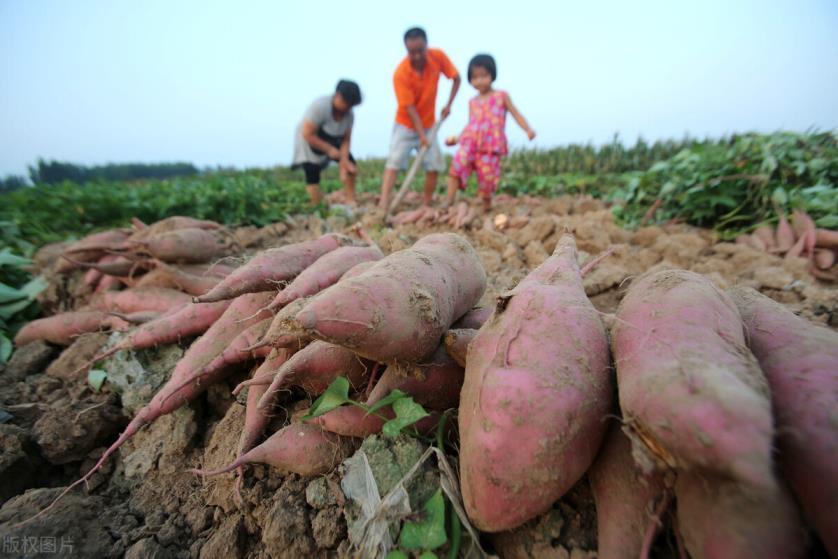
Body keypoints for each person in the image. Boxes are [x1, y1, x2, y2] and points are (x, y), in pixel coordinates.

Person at [378, 27, 461, 210]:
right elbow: (409, 108)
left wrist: (448, 105)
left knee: (434, 164)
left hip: (430, 123)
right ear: (406, 49)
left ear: (426, 45)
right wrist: (421, 135)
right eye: (411, 52)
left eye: (420, 50)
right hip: (406, 124)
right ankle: (384, 203)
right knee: (394, 161)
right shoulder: (401, 73)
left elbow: (456, 78)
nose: (416, 56)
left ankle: (426, 203)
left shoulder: (437, 57)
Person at [444, 54, 536, 212]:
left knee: (487, 180)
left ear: (492, 75)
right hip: (471, 142)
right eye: (474, 77)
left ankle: (486, 207)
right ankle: (449, 201)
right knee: (457, 164)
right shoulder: (472, 102)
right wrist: (457, 139)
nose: (479, 80)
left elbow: (515, 113)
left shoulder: (501, 96)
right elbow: (471, 124)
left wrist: (527, 129)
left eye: (483, 76)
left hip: (490, 146)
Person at [292, 80, 362, 206]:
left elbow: (346, 139)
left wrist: (344, 161)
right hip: (310, 138)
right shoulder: (319, 107)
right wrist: (329, 150)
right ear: (337, 96)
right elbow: (307, 134)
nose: (348, 108)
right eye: (347, 103)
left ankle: (350, 199)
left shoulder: (349, 115)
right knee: (312, 171)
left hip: (333, 137)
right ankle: (316, 205)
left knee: (351, 165)